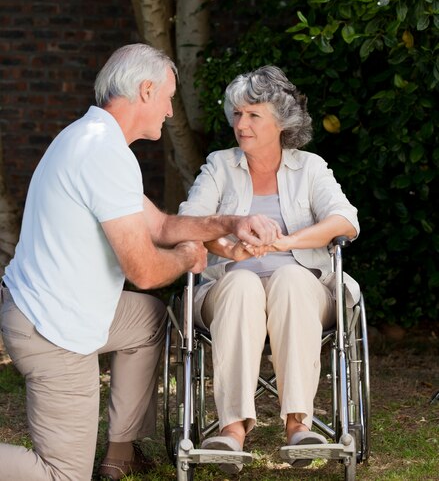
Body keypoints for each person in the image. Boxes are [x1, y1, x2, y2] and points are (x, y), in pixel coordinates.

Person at [0, 44, 281, 481]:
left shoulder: (95, 137)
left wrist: (234, 221)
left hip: (55, 307)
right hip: (51, 328)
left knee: (149, 320)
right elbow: (146, 270)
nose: (170, 111)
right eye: (168, 97)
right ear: (146, 91)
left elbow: (164, 227)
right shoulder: (103, 153)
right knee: (62, 474)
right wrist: (190, 257)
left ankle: (120, 452)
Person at [178, 65, 360, 472]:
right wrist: (229, 248)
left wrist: (287, 242)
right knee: (242, 282)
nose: (241, 124)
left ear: (281, 122)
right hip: (227, 289)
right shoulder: (219, 166)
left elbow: (346, 221)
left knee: (291, 277)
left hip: (305, 289)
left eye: (253, 115)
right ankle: (232, 430)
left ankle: (299, 425)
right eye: (237, 114)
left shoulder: (310, 168)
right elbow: (190, 221)